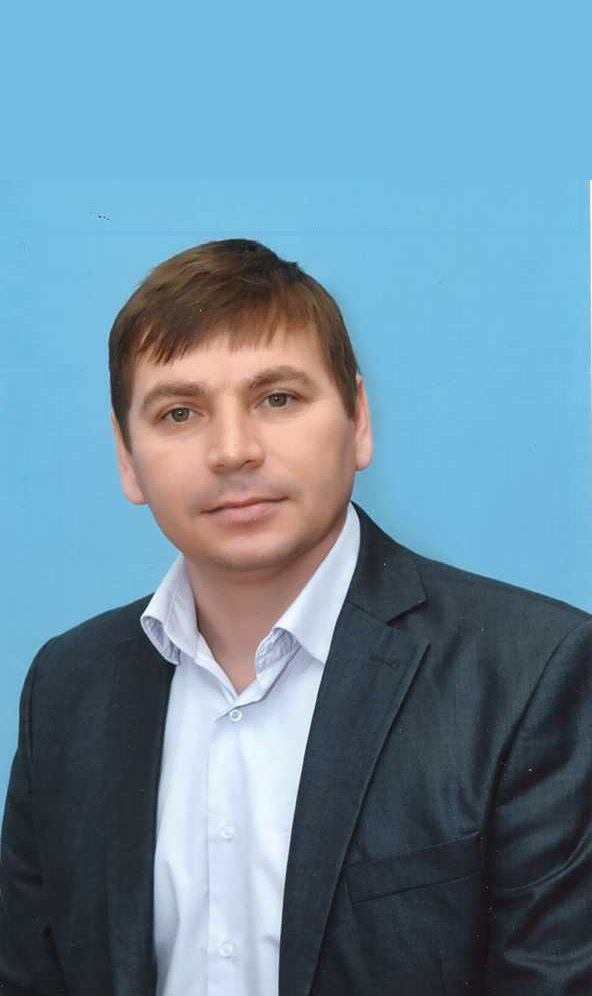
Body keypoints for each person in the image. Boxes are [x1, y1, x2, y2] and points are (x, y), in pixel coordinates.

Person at [0, 239, 590, 996]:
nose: (232, 451)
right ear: (127, 457)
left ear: (359, 419)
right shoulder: (66, 685)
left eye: (277, 399)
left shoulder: (530, 674)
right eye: (179, 413)